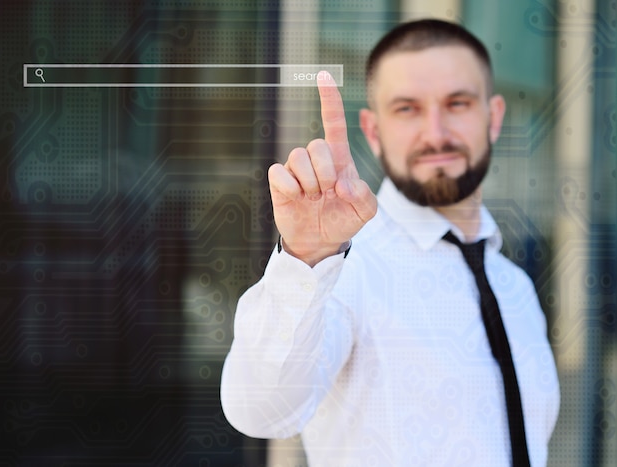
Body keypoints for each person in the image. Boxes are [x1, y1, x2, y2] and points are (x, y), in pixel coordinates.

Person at [221, 19, 560, 466]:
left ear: (493, 117)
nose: (436, 133)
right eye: (407, 108)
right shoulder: (344, 270)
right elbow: (261, 412)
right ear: (374, 131)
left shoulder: (513, 285)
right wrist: (306, 258)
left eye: (457, 103)